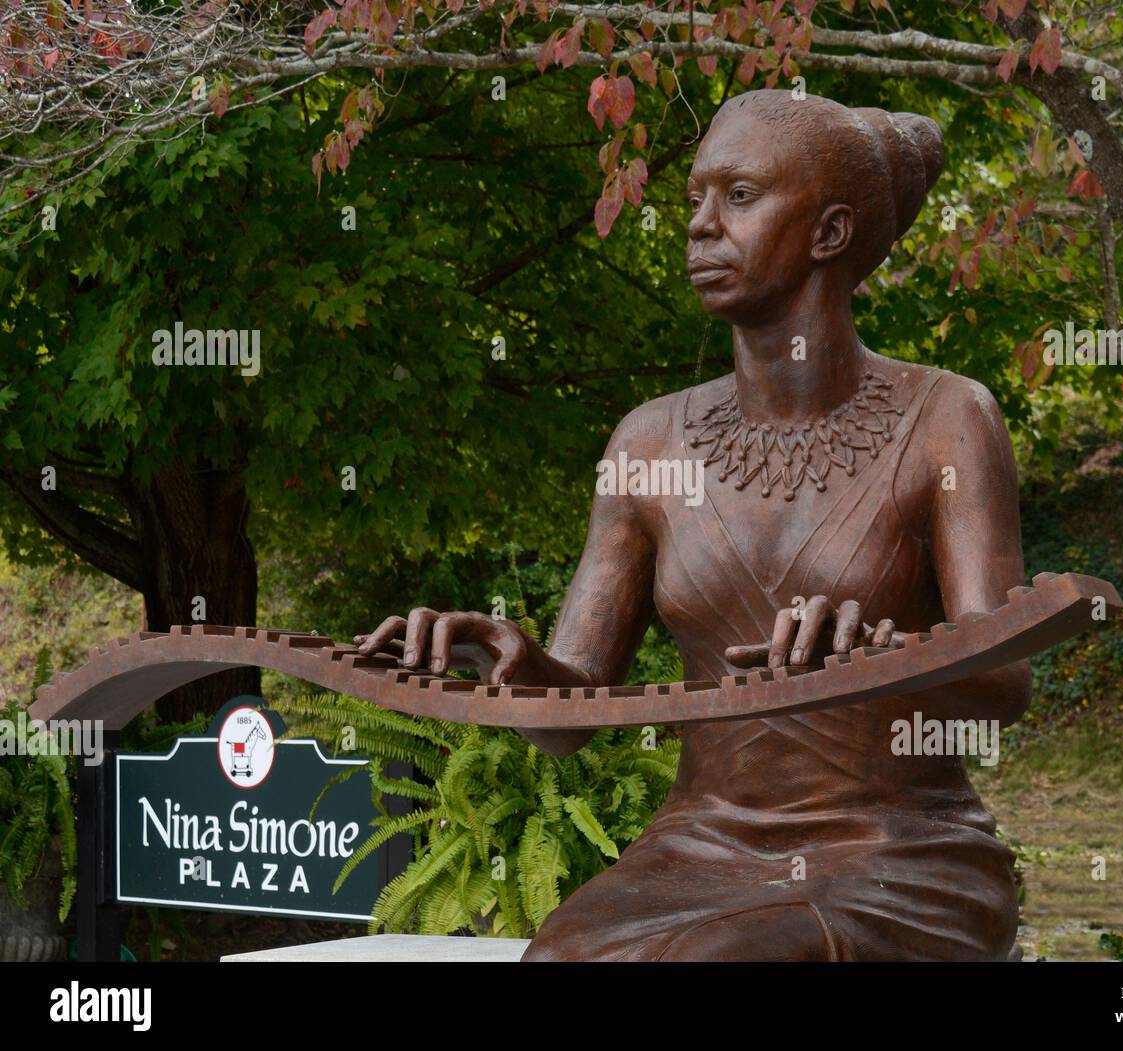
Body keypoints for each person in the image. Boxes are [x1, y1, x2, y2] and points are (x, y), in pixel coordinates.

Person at [355, 91, 1029, 961]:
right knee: (555, 957)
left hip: (899, 850)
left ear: (828, 233)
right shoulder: (648, 441)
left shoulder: (947, 419)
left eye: (740, 196)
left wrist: (883, 656)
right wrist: (506, 660)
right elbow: (570, 717)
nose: (701, 226)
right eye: (695, 199)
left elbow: (1004, 686)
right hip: (701, 848)